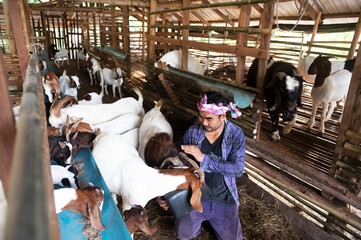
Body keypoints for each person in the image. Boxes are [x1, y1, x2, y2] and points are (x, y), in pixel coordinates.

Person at [157, 91, 246, 240]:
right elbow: (180, 166)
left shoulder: (235, 135)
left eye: (209, 119)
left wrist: (204, 159)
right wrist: (166, 193)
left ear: (222, 116)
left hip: (224, 197)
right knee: (183, 234)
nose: (203, 122)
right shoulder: (193, 132)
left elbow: (237, 169)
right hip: (194, 194)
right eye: (201, 116)